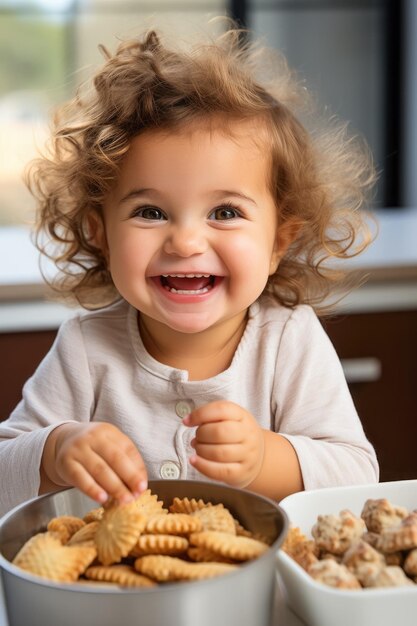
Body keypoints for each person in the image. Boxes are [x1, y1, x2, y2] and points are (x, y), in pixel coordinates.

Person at [0, 24, 379, 518]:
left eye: (224, 212)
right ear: (101, 233)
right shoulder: (86, 348)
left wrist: (266, 458)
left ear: (278, 242)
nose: (185, 242)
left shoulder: (289, 340)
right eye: (150, 212)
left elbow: (357, 472)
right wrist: (55, 451)